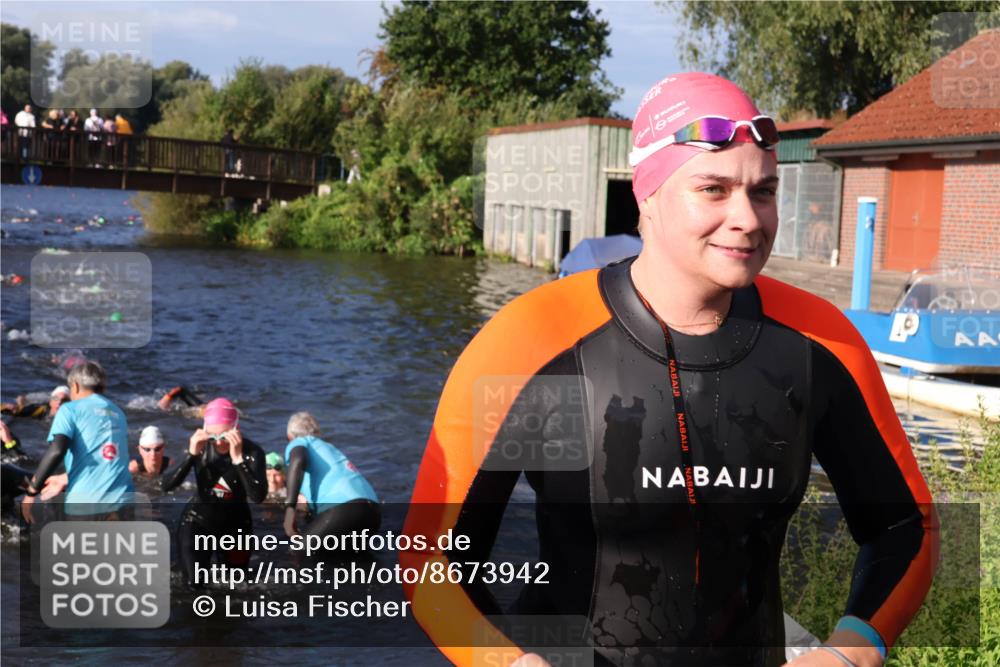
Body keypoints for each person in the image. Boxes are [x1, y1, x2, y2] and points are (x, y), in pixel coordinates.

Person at [402, 73, 938, 667]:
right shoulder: (535, 342)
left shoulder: (818, 342)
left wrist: (851, 651)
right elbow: (431, 559)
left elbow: (904, 530)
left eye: (763, 191)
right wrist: (507, 662)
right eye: (712, 189)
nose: (748, 218)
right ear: (647, 194)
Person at [160, 398, 267, 586]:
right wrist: (191, 455)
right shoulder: (199, 447)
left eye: (224, 436)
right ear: (204, 431)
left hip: (236, 524)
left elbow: (258, 496)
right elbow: (166, 486)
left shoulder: (252, 452)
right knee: (193, 584)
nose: (218, 443)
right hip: (198, 520)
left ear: (236, 429)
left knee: (236, 587)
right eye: (212, 437)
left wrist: (237, 460)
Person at [20, 361, 133, 521]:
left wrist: (31, 492)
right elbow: (107, 460)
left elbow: (57, 450)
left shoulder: (70, 409)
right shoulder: (118, 412)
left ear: (75, 386)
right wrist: (64, 478)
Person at [281, 412, 380, 540]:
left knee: (299, 553)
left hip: (344, 508)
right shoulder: (329, 448)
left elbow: (298, 459)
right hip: (373, 511)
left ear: (289, 436)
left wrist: (290, 511)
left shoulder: (299, 442)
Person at [1, 385, 70, 420]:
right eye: (56, 399)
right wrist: (11, 407)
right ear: (50, 402)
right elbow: (17, 410)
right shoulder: (41, 411)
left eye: (64, 400)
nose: (59, 402)